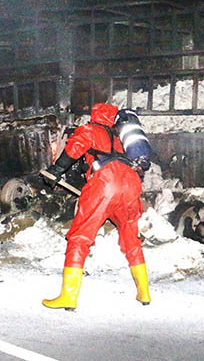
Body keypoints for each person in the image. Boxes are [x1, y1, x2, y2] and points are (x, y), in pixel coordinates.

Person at [41, 102, 151, 310]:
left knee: (79, 237)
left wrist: (56, 170)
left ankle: (68, 296)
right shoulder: (122, 138)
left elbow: (73, 149)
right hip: (131, 184)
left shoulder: (90, 130)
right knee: (131, 238)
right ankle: (144, 292)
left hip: (105, 183)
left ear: (95, 115)